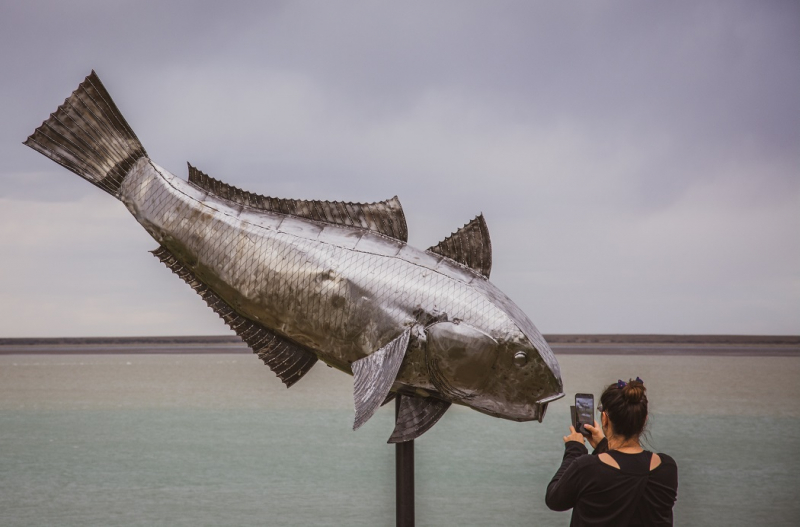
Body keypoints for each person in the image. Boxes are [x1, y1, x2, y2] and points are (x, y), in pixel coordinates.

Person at [545, 378, 678, 526]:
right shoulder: (667, 468)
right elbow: (627, 469)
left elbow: (554, 499)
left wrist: (575, 449)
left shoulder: (587, 468)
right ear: (644, 419)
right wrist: (603, 445)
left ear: (604, 419)